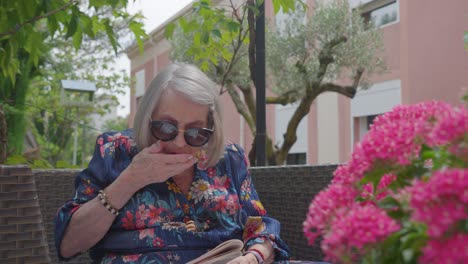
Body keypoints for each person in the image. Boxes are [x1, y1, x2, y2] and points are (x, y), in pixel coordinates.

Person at [54, 63, 290, 263]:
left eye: (196, 132)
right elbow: (69, 245)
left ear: (211, 128)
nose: (178, 142)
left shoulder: (229, 158)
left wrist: (253, 257)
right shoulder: (115, 150)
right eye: (166, 127)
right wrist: (130, 180)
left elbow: (259, 227)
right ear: (148, 118)